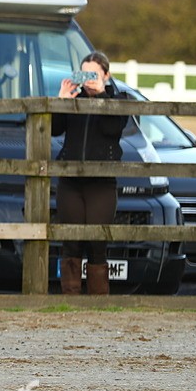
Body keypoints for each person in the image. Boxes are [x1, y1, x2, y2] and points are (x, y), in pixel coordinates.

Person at [53, 51, 133, 295]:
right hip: (71, 181)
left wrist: (100, 96)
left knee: (98, 243)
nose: (88, 80)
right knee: (71, 242)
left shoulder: (119, 101)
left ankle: (98, 303)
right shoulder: (74, 100)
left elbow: (112, 128)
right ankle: (70, 301)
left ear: (106, 76)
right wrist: (62, 102)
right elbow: (54, 129)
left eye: (94, 75)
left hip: (101, 183)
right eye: (84, 74)